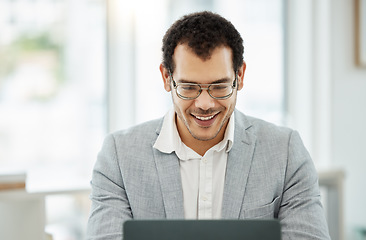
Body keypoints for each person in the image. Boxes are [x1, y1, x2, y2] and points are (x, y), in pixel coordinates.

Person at [86, 11, 330, 240]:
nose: (204, 103)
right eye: (189, 87)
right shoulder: (118, 155)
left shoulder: (285, 152)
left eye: (220, 87)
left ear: (240, 76)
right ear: (166, 78)